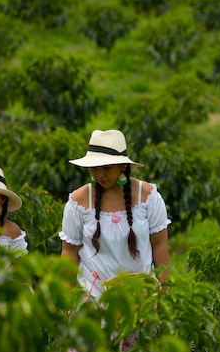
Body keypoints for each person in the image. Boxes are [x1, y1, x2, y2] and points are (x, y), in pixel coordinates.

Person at [59, 129, 171, 350]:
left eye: (106, 168)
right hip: (92, 296)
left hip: (139, 295)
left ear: (123, 166)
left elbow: (160, 245)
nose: (99, 174)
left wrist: (165, 294)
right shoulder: (78, 201)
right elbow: (69, 252)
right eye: (95, 168)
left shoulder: (147, 197)